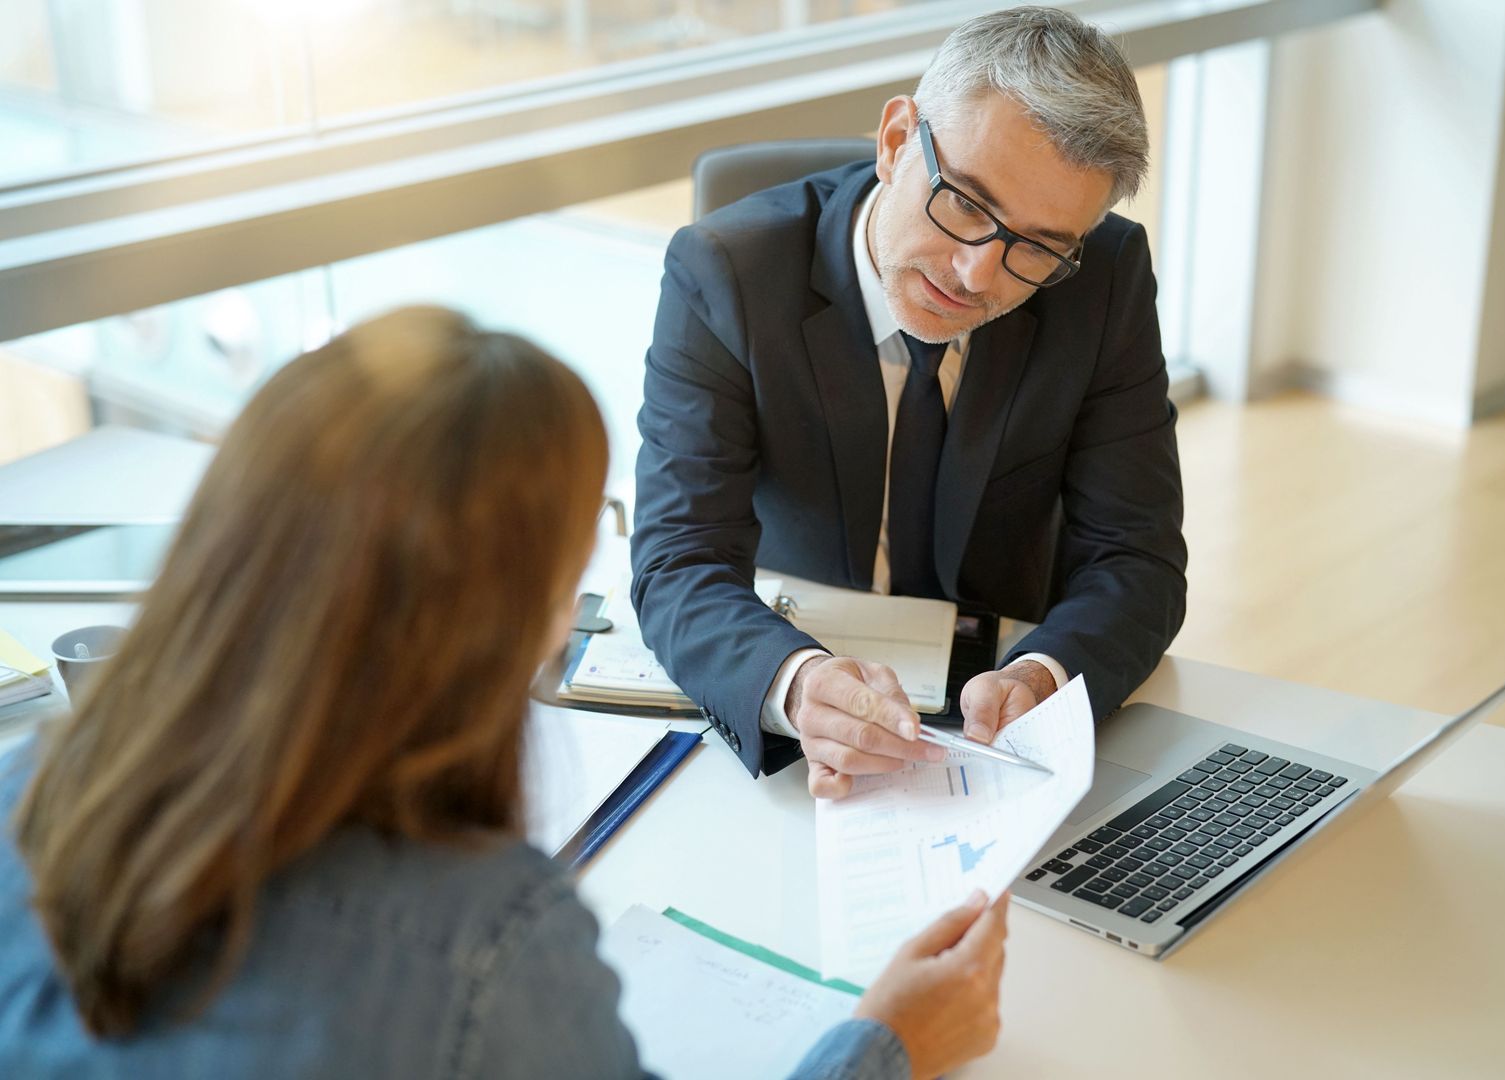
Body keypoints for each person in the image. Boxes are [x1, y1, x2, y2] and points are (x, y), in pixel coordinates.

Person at [0, 307, 1009, 1078]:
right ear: (486, 620)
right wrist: (889, 1041)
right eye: (568, 569)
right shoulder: (487, 945)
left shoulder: (33, 786)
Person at [632, 6, 1189, 796]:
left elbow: (1135, 559)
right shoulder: (726, 272)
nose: (975, 275)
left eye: (1035, 246)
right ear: (896, 141)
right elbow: (678, 559)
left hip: (997, 715)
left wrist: (1041, 676)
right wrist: (793, 685)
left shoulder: (1101, 280)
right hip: (802, 658)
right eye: (964, 201)